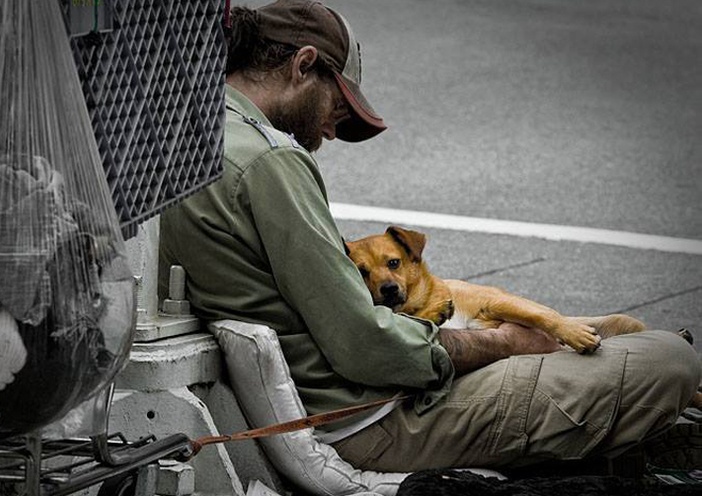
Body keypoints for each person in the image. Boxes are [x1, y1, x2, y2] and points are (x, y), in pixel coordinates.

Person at [159, 0, 700, 473]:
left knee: (605, 337)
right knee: (670, 361)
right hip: (376, 418)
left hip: (335, 400)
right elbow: (365, 345)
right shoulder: (271, 161)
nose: (329, 130)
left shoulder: (188, 136)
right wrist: (499, 345)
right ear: (303, 65)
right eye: (337, 108)